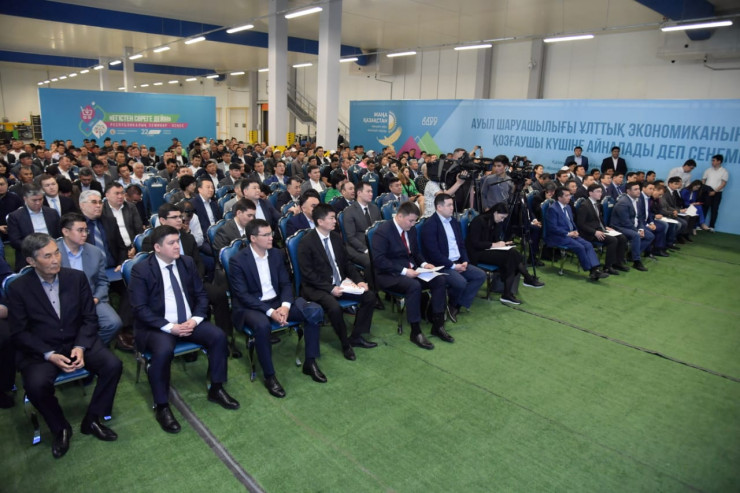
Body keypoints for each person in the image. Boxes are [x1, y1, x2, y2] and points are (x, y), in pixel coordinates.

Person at [8, 233, 123, 458]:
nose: (55, 260)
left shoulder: (76, 278)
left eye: (57, 253)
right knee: (35, 385)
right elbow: (19, 333)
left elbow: (89, 318)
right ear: (31, 261)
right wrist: (48, 354)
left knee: (112, 365)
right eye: (47, 256)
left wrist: (80, 346)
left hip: (76, 340)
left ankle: (92, 418)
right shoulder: (18, 288)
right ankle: (60, 427)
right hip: (42, 349)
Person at [128, 226, 239, 433]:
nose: (177, 246)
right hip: (159, 327)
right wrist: (170, 327)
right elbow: (140, 309)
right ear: (157, 247)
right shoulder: (141, 270)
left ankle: (216, 388)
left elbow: (201, 295)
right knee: (163, 351)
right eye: (171, 243)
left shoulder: (186, 263)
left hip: (188, 322)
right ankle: (162, 406)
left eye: (177, 241)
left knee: (218, 336)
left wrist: (195, 320)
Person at [227, 219, 325, 398]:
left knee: (314, 311)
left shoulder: (276, 254)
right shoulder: (238, 261)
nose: (271, 237)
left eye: (271, 233)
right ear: (253, 238)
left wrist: (285, 307)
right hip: (252, 306)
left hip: (278, 302)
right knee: (262, 325)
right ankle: (269, 376)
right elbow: (243, 295)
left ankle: (310, 362)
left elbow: (285, 283)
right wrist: (270, 312)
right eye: (266, 235)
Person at [298, 204, 377, 360]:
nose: (335, 221)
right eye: (332, 218)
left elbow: (346, 263)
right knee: (334, 307)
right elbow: (308, 274)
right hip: (318, 287)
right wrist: (330, 288)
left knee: (369, 296)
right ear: (320, 221)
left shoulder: (335, 237)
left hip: (340, 284)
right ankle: (345, 344)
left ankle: (356, 336)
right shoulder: (306, 242)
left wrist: (359, 281)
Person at [371, 201, 452, 349]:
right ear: (400, 216)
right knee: (413, 286)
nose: (413, 224)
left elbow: (415, 252)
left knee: (439, 279)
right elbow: (379, 260)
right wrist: (404, 271)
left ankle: (438, 325)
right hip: (389, 275)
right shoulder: (383, 232)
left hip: (411, 270)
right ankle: (416, 332)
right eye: (411, 221)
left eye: (415, 221)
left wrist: (424, 264)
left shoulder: (410, 229)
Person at [57, 213, 123, 344]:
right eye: (80, 230)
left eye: (86, 230)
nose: (85, 234)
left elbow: (102, 281)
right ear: (66, 232)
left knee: (114, 323)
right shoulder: (53, 253)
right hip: (62, 302)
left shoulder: (95, 252)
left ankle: (88, 346)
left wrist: (96, 298)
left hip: (91, 298)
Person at [420, 194, 486, 321]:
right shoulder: (430, 225)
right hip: (441, 265)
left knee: (480, 275)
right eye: (449, 205)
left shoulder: (454, 222)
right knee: (460, 283)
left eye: (452, 204)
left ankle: (456, 305)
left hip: (458, 262)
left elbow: (461, 244)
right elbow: (433, 254)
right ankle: (451, 303)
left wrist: (465, 261)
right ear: (439, 207)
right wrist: (454, 266)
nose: (452, 208)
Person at [466, 203, 545, 304]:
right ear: (495, 212)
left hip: (487, 249)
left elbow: (494, 240)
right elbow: (475, 243)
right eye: (502, 217)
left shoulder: (495, 222)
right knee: (512, 256)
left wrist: (503, 244)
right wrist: (494, 244)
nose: (502, 220)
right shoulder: (478, 221)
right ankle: (522, 282)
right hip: (476, 253)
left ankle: (513, 289)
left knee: (512, 255)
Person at [545, 187, 609, 281]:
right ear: (559, 197)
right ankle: (592, 270)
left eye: (569, 195)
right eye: (566, 195)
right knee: (580, 247)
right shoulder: (553, 209)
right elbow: (553, 228)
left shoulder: (568, 207)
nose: (569, 197)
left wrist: (575, 231)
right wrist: (568, 233)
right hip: (558, 236)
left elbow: (572, 222)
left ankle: (595, 269)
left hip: (572, 234)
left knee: (588, 244)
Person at [575, 184, 630, 275]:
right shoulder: (585, 206)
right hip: (589, 233)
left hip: (600, 229)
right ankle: (608, 267)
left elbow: (599, 219)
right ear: (590, 193)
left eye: (601, 191)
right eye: (598, 191)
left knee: (622, 238)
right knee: (612, 240)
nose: (600, 194)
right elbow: (581, 224)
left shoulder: (597, 204)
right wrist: (595, 232)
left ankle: (617, 263)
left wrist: (605, 227)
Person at [8, 184, 62, 271]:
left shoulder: (52, 213)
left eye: (40, 199)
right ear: (25, 199)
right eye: (34, 200)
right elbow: (14, 241)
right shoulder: (15, 216)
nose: (38, 203)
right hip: (29, 255)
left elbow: (59, 235)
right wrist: (35, 249)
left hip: (52, 252)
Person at [609, 182, 654, 271]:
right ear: (628, 191)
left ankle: (631, 254)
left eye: (638, 189)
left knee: (650, 236)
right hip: (619, 226)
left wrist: (641, 228)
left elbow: (640, 217)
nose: (638, 191)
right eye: (635, 189)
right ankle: (636, 261)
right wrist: (637, 231)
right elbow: (625, 222)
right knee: (636, 235)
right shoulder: (623, 203)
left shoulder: (638, 200)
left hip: (632, 225)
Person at [701, 154, 728, 231]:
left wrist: (715, 191)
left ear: (719, 161)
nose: (712, 162)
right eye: (712, 160)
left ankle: (712, 226)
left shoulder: (724, 171)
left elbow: (723, 183)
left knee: (714, 209)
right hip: (707, 192)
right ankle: (701, 224)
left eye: (714, 160)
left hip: (717, 193)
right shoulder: (708, 170)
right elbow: (703, 180)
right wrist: (704, 189)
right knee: (704, 208)